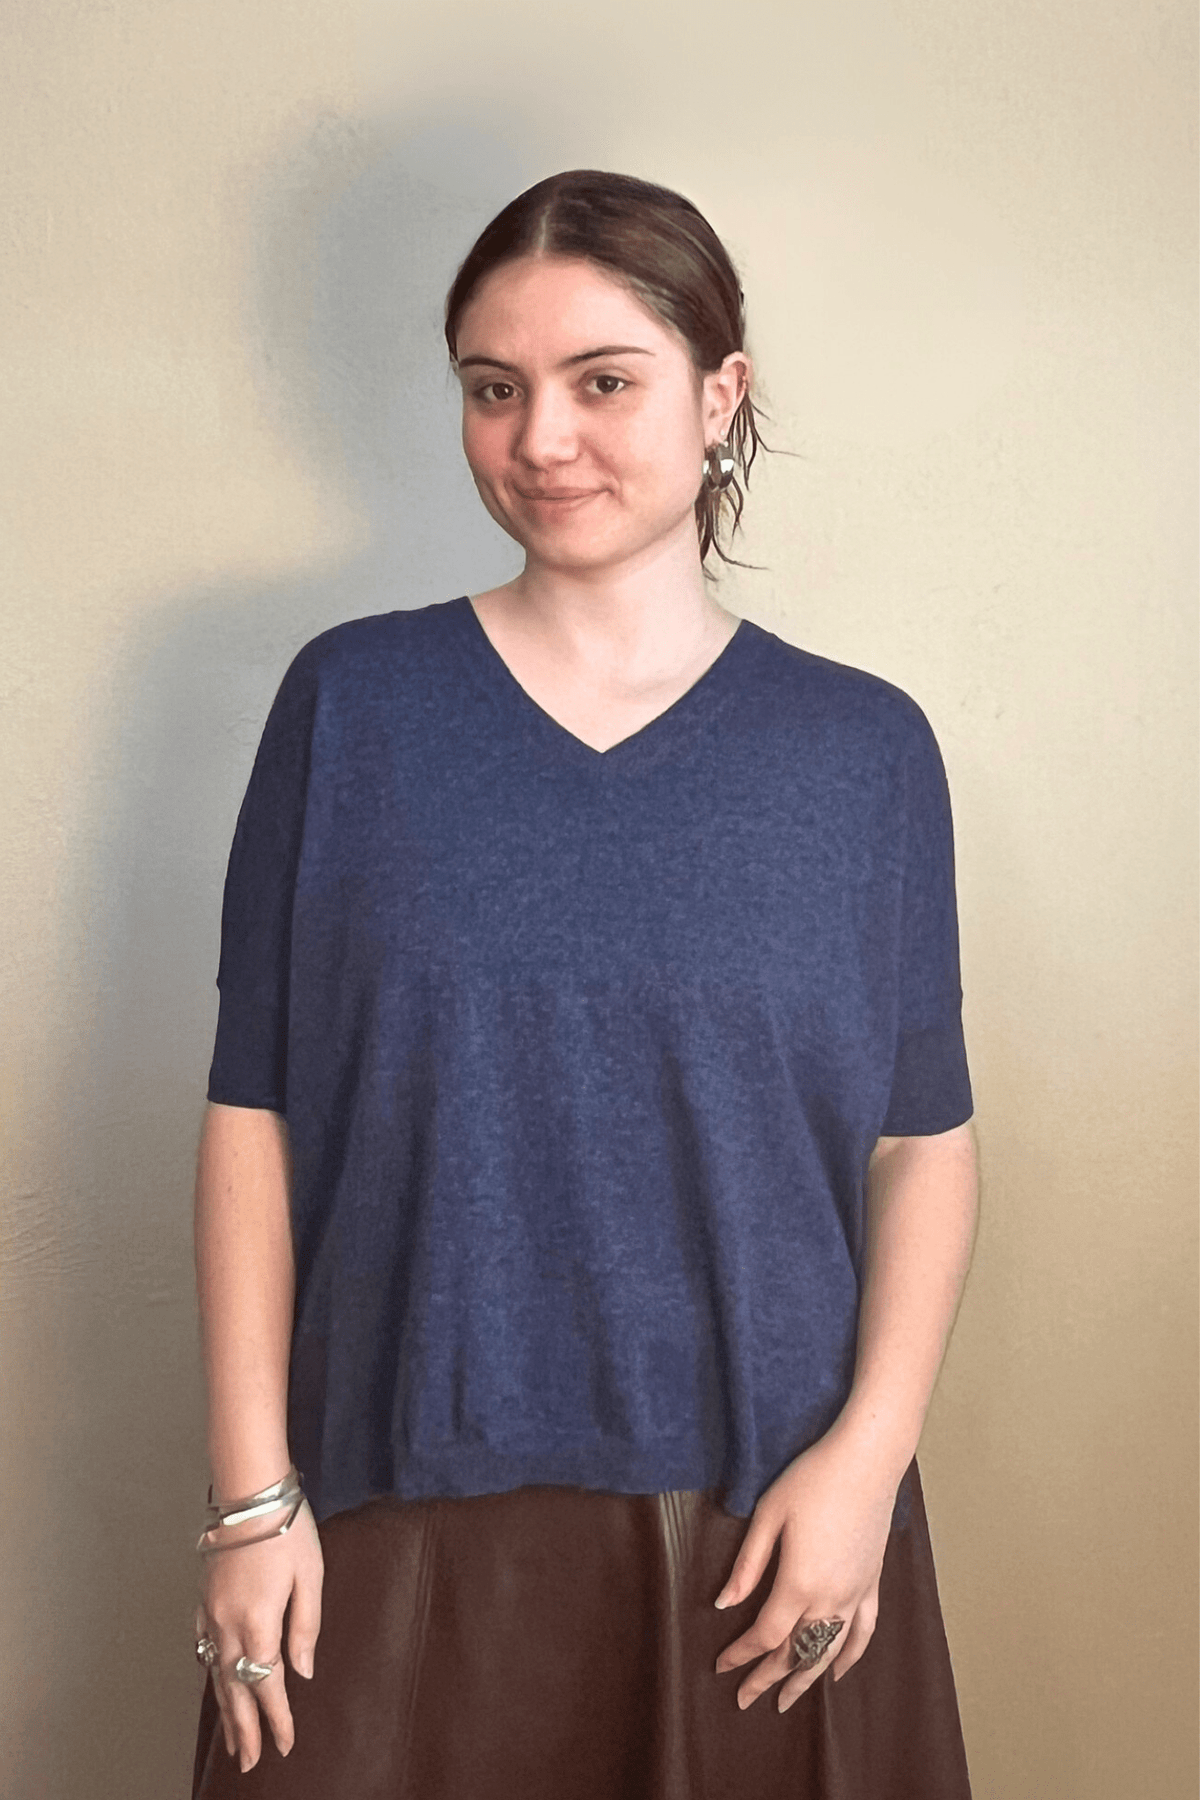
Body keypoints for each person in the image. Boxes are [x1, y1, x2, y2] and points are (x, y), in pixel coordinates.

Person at [190, 169, 979, 1800]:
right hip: (383, 1510)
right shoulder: (352, 706)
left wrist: (869, 1460)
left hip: (769, 1538)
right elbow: (251, 1114)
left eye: (602, 380)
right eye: (495, 389)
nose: (541, 439)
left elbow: (924, 1143)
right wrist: (252, 1499)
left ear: (720, 396)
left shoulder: (863, 752)